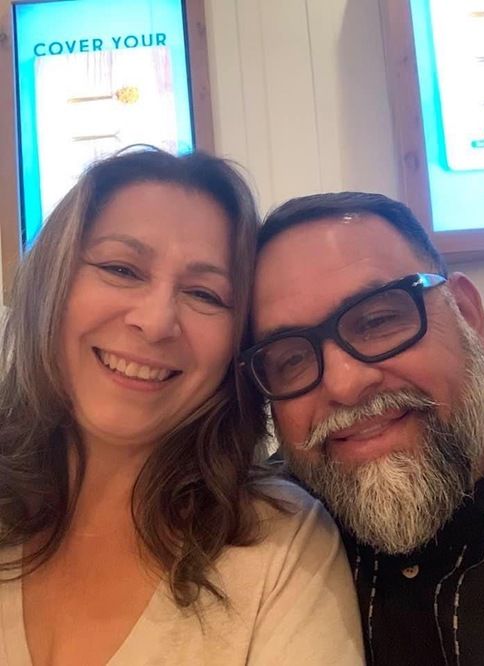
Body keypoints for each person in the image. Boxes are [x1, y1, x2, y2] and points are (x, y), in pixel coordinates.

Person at [0, 153, 364, 665]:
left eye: (204, 294)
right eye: (121, 269)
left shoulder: (280, 546)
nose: (155, 322)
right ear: (52, 282)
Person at [241, 191, 484, 666]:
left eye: (378, 320)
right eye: (291, 359)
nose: (345, 384)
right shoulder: (261, 538)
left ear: (467, 313)